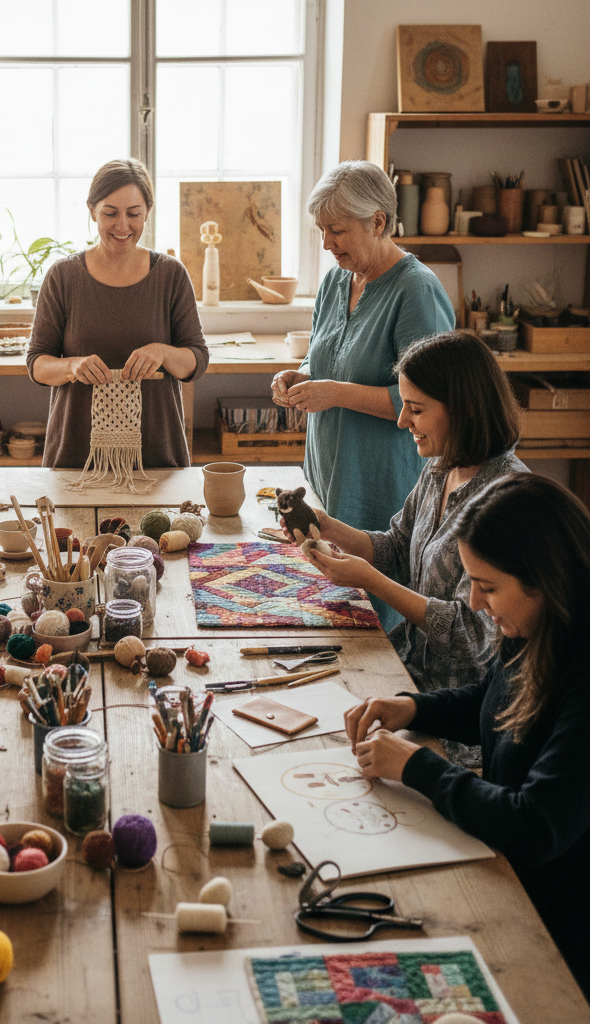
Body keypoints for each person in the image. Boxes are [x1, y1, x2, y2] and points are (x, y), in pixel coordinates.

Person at [344, 474, 590, 998]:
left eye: (489, 586)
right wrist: (411, 707)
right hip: (508, 873)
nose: (475, 603)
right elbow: (494, 700)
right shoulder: (538, 627)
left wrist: (417, 767)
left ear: (543, 578)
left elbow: (537, 824)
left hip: (559, 932)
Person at [271, 160, 455, 628]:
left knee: (373, 626)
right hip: (328, 473)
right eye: (321, 230)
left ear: (378, 222)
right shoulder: (337, 279)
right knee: (325, 615)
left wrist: (334, 393)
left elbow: (431, 403)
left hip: (381, 484)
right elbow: (328, 356)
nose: (327, 243)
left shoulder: (416, 290)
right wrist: (299, 375)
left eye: (337, 230)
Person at [297, 331, 526, 700]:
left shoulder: (510, 500)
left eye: (416, 409)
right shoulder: (441, 467)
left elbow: (471, 635)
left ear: (465, 409)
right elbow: (397, 547)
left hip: (458, 705)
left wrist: (369, 580)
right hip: (407, 668)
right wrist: (328, 527)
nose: (403, 421)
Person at [27, 158, 209, 468]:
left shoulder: (170, 275)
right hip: (77, 455)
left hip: (156, 453)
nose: (122, 226)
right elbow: (37, 364)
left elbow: (197, 361)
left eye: (134, 214)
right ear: (92, 210)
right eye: (110, 213)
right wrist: (72, 366)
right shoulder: (63, 276)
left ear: (147, 212)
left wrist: (163, 352)